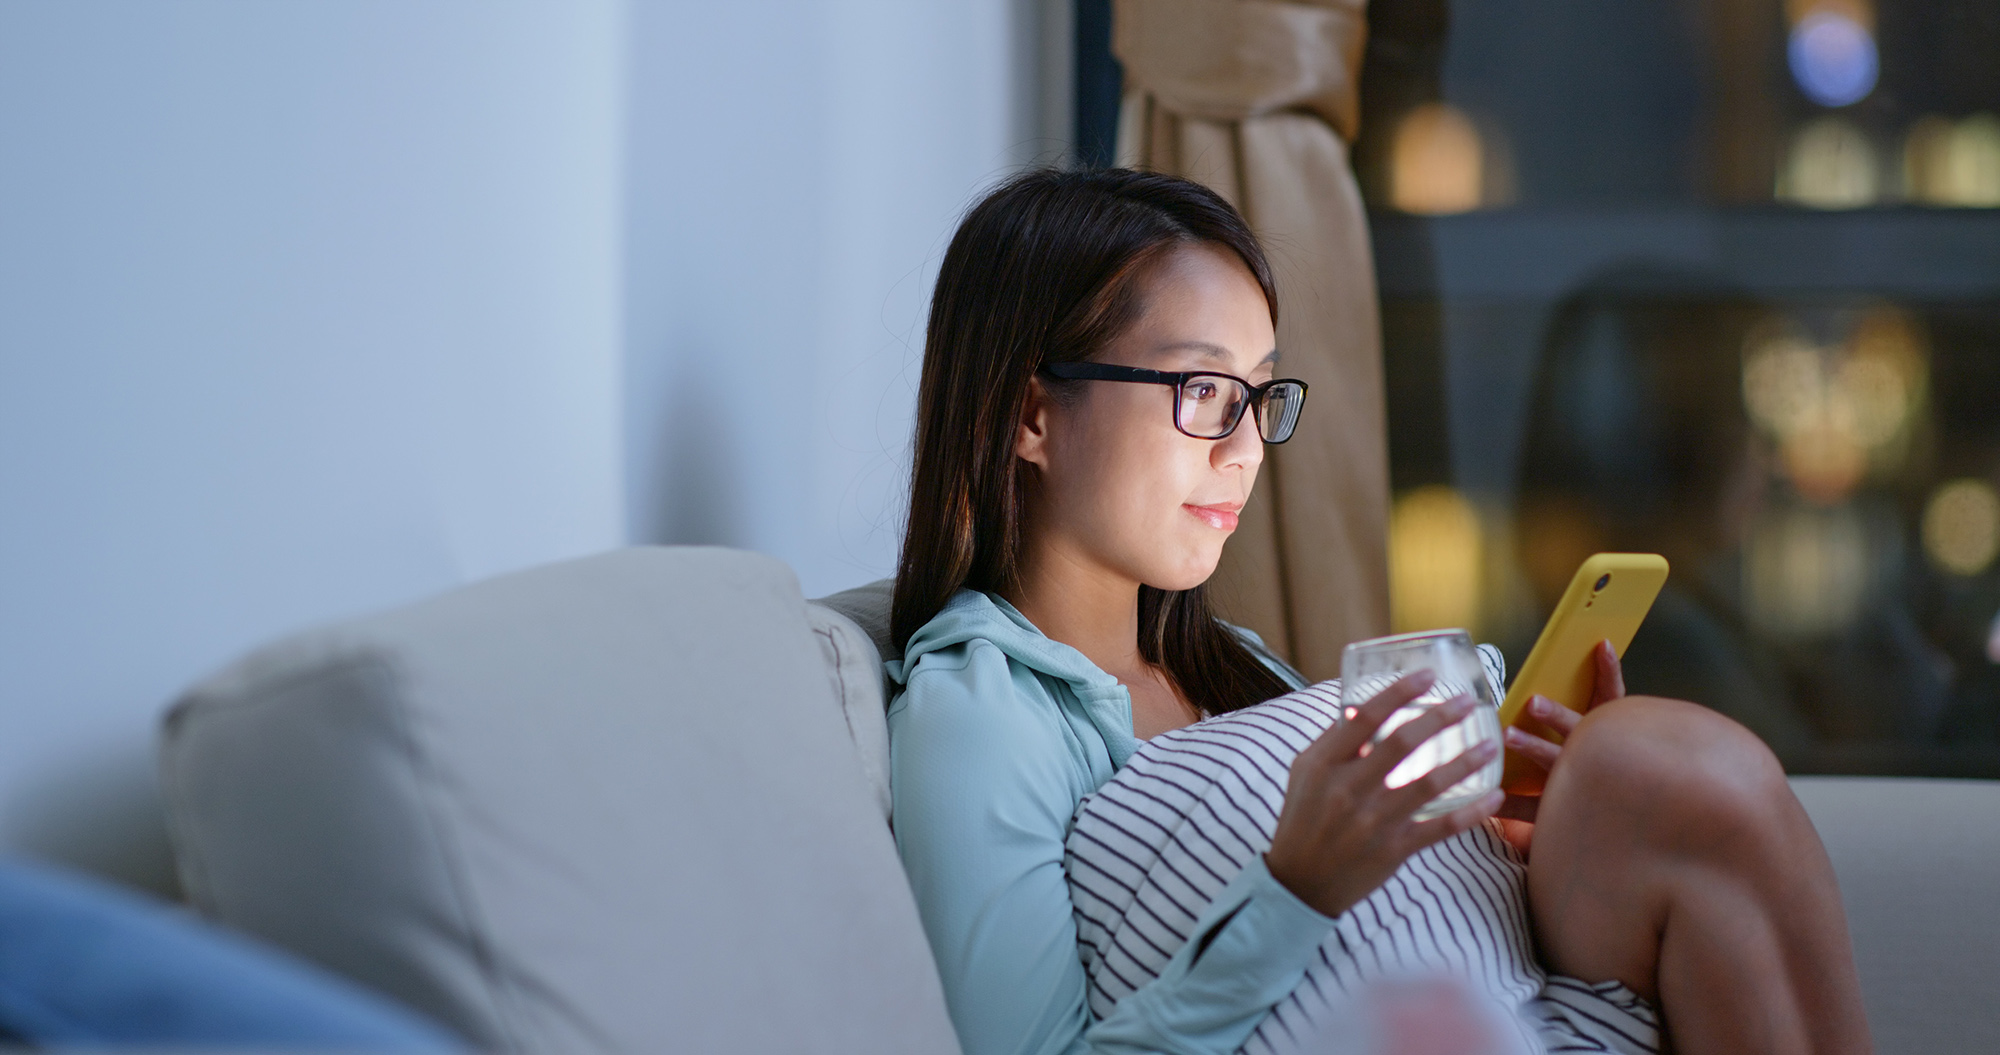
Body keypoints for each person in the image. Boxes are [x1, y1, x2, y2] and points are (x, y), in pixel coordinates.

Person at [885, 167, 1871, 1055]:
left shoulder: (1232, 667)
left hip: (1485, 1009)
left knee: (1647, 771)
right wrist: (1293, 890)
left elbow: (1406, 924)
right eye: (1200, 389)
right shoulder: (977, 714)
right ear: (1029, 416)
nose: (1243, 448)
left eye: (1259, 395)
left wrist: (1517, 824)